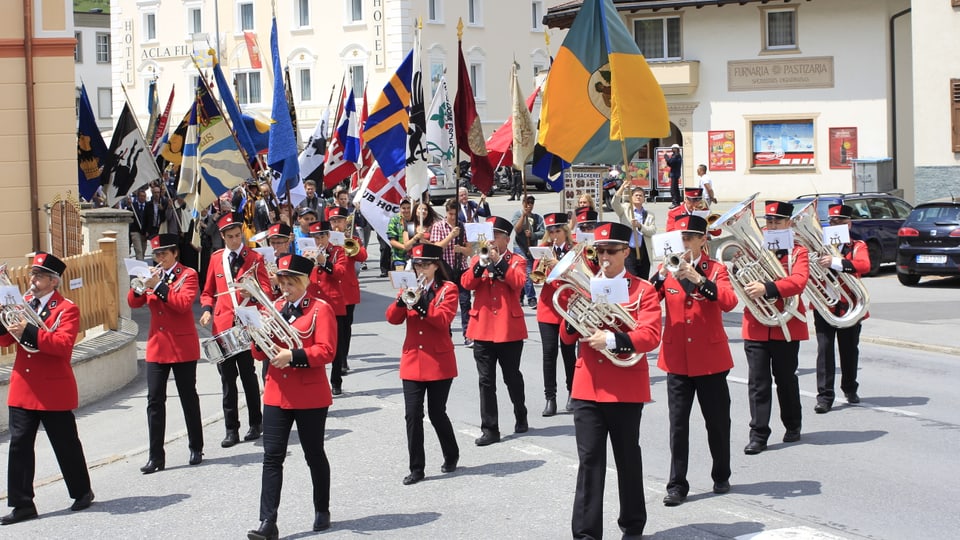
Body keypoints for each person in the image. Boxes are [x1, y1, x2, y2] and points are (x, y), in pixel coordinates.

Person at [559, 222, 662, 540]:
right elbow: (566, 336)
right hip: (588, 386)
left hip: (625, 387)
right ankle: (586, 533)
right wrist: (575, 315)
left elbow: (650, 335)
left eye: (611, 251)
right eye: (599, 251)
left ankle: (632, 525)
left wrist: (614, 339)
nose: (603, 257)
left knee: (627, 457)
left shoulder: (643, 290)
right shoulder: (586, 285)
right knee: (589, 460)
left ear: (625, 252)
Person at [246, 254, 338, 540]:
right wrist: (255, 334)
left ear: (303, 282)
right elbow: (260, 353)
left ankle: (322, 508)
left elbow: (327, 351)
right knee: (272, 457)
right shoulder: (274, 308)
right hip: (276, 393)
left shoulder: (320, 310)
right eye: (282, 281)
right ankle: (267, 522)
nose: (285, 287)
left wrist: (294, 356)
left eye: (290, 282)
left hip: (310, 394)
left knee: (314, 454)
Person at [0, 252, 95, 525]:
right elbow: (6, 340)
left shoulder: (67, 308)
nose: (33, 280)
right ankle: (22, 504)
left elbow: (62, 346)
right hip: (24, 385)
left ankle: (81, 491)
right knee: (19, 446)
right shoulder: (23, 303)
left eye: (40, 276)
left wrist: (28, 331)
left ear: (54, 282)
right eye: (33, 274)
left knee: (65, 444)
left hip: (53, 388)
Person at [650, 215, 738, 506]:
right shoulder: (669, 268)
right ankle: (677, 484)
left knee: (717, 422)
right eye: (681, 237)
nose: (684, 242)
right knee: (678, 425)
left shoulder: (716, 269)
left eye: (690, 237)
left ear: (703, 240)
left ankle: (721, 473)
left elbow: (728, 300)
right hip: (677, 359)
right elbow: (648, 299)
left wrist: (699, 279)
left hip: (710, 360)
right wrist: (662, 276)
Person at [127, 233, 204, 473]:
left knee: (187, 397)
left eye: (164, 254)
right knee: (154, 401)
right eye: (156, 255)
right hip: (157, 346)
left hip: (182, 346)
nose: (160, 258)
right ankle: (155, 456)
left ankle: (196, 446)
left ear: (175, 254)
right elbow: (133, 303)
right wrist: (140, 286)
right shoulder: (152, 276)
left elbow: (182, 305)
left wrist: (158, 286)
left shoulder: (188, 275)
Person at [385, 244, 461, 485]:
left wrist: (419, 304)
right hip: (413, 361)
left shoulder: (447, 289)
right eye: (417, 264)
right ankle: (416, 468)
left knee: (437, 413)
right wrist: (401, 301)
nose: (420, 269)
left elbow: (442, 320)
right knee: (412, 415)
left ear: (436, 265)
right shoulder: (410, 288)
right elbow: (392, 318)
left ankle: (451, 454)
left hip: (438, 360)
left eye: (425, 265)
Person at [742, 201, 810, 455]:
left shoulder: (797, 252)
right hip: (757, 324)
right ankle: (758, 434)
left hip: (785, 325)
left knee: (785, 379)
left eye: (777, 222)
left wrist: (767, 288)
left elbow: (799, 281)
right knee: (757, 382)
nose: (771, 226)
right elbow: (740, 277)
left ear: (788, 224)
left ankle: (792, 423)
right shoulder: (754, 251)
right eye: (768, 222)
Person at [200, 212, 268, 448]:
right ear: (222, 237)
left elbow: (267, 290)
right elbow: (207, 291)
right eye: (230, 237)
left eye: (238, 235)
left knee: (248, 376)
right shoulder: (217, 258)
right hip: (222, 326)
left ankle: (255, 423)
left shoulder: (255, 257)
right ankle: (231, 429)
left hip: (245, 325)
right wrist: (207, 309)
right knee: (227, 380)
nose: (235, 240)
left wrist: (255, 294)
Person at [461, 216, 529, 446]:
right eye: (487, 235)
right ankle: (490, 429)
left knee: (512, 377)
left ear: (506, 239)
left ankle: (520, 412)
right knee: (486, 381)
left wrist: (498, 261)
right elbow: (467, 283)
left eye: (494, 235)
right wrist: (480, 264)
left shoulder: (516, 260)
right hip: (482, 329)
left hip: (509, 330)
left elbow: (518, 282)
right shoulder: (476, 258)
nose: (489, 240)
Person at [814, 204, 870, 414]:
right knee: (825, 350)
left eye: (839, 221)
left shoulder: (857, 245)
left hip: (850, 304)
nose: (834, 224)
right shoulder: (819, 247)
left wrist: (836, 262)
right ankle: (825, 396)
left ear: (849, 223)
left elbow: (864, 265)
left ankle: (849, 388)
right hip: (825, 303)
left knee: (849, 349)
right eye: (832, 222)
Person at [535, 213, 577, 416]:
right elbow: (537, 278)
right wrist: (544, 265)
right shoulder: (544, 250)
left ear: (565, 231)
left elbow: (580, 274)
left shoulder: (575, 250)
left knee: (569, 354)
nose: (554, 235)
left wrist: (558, 264)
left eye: (557, 231)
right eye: (551, 231)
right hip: (548, 309)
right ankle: (550, 398)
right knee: (549, 354)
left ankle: (572, 393)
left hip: (568, 308)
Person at [307, 220, 349, 395]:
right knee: (314, 343)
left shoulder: (338, 251)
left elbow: (340, 273)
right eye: (316, 237)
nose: (319, 241)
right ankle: (318, 380)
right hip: (314, 303)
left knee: (336, 345)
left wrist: (324, 262)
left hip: (333, 304)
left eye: (322, 236)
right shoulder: (308, 251)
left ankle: (336, 381)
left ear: (328, 236)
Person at [327, 206, 368, 376]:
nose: (337, 224)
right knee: (336, 327)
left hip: (348, 290)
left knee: (347, 326)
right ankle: (337, 357)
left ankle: (343, 357)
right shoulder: (325, 240)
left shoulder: (354, 239)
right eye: (334, 221)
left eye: (340, 221)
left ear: (346, 222)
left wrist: (347, 243)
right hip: (332, 289)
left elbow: (362, 257)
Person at [429, 198, 474, 347]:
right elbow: (436, 248)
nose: (452, 217)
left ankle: (468, 334)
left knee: (465, 302)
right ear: (446, 213)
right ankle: (445, 334)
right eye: (450, 213)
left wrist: (461, 249)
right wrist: (450, 237)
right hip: (444, 270)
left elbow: (469, 251)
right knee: (444, 304)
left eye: (455, 214)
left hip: (460, 269)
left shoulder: (462, 227)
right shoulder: (438, 226)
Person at [614, 183, 656, 280]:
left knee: (643, 279)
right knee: (631, 279)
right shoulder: (625, 209)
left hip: (644, 251)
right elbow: (615, 203)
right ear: (631, 197)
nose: (638, 197)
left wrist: (640, 226)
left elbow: (652, 230)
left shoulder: (650, 215)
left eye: (641, 195)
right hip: (629, 250)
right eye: (636, 195)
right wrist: (622, 187)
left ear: (644, 199)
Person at [511, 195, 545, 308]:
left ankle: (520, 295)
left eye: (531, 203)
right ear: (523, 203)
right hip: (519, 247)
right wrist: (523, 216)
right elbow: (517, 229)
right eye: (527, 203)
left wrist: (533, 235)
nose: (529, 205)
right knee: (527, 272)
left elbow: (543, 232)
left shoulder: (537, 218)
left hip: (531, 248)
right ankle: (532, 298)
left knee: (525, 273)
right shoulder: (517, 214)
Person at [387, 199, 416, 271]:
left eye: (408, 208)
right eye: (404, 208)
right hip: (399, 257)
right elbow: (392, 241)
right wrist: (405, 247)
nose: (406, 210)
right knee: (401, 280)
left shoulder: (416, 219)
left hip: (415, 256)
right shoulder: (394, 220)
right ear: (400, 208)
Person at [666, 143, 683, 208]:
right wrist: (668, 160)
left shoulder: (677, 156)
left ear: (677, 149)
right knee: (675, 189)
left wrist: (667, 158)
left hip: (675, 174)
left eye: (674, 148)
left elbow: (671, 162)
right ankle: (677, 202)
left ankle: (675, 202)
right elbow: (670, 164)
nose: (673, 150)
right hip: (674, 174)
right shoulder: (675, 155)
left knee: (673, 189)